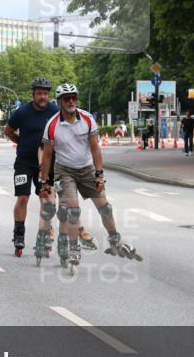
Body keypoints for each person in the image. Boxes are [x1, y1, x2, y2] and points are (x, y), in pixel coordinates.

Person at [40, 83, 141, 272]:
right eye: (67, 99)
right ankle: (74, 249)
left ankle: (114, 239)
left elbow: (95, 149)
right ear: (60, 102)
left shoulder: (87, 119)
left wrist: (99, 174)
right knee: (72, 211)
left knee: (105, 208)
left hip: (87, 168)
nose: (71, 101)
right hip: (65, 170)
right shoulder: (52, 125)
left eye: (74, 98)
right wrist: (45, 181)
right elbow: (46, 156)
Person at [5, 77, 96, 258]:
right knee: (23, 198)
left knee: (46, 199)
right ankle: (19, 235)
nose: (43, 97)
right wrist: (21, 142)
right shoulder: (22, 112)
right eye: (39, 93)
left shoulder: (55, 111)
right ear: (33, 94)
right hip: (24, 162)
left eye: (46, 93)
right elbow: (8, 130)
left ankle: (46, 235)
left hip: (47, 163)